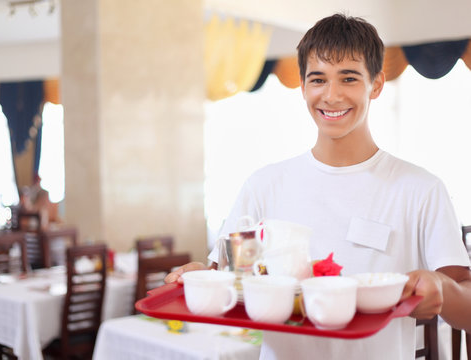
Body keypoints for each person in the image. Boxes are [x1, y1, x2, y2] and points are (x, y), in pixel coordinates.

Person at [165, 13, 471, 360]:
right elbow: (231, 278)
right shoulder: (264, 186)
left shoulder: (420, 189)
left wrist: (443, 289)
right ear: (303, 86)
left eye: (349, 78)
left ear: (377, 84)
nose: (332, 95)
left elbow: (466, 304)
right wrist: (200, 277)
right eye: (318, 79)